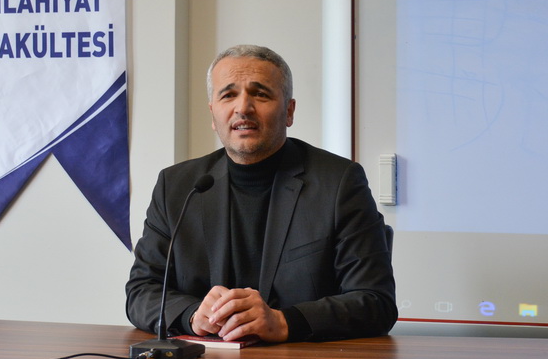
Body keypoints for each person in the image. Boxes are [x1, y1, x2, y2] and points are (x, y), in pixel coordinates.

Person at [126, 44, 397, 343]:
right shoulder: (177, 186)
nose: (243, 107)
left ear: (289, 111)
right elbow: (142, 291)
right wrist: (192, 315)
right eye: (228, 95)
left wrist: (284, 321)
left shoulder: (339, 183)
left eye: (261, 94)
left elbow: (375, 301)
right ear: (213, 114)